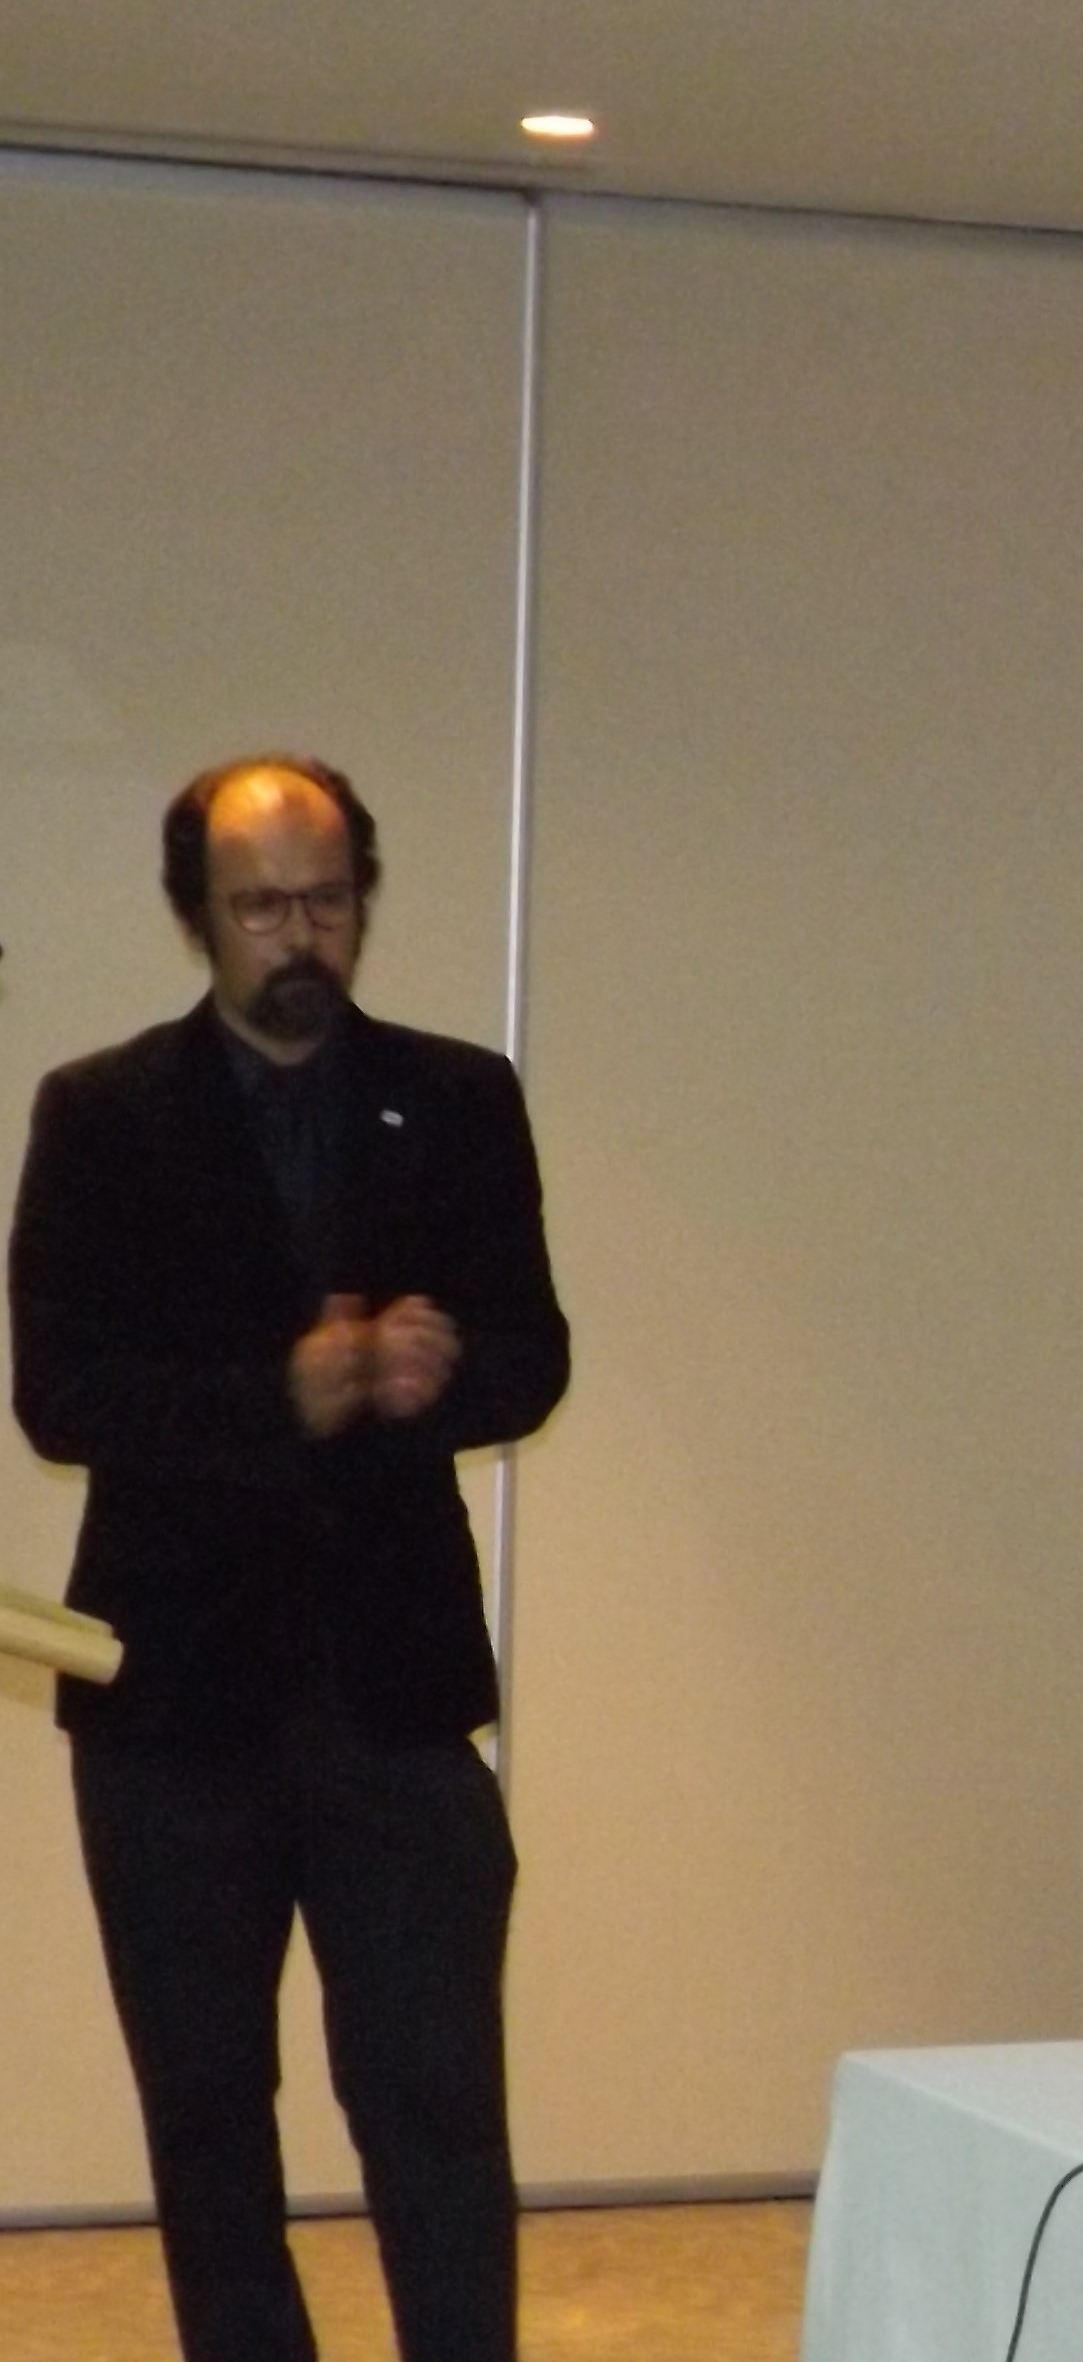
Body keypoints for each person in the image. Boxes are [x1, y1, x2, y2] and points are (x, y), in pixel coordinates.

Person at [10, 756, 568, 2362]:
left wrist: (433, 1375)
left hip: (396, 1695)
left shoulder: (459, 1097)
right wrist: (283, 1393)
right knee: (205, 2116)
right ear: (197, 915)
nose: (300, 936)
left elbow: (534, 1357)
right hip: (172, 1708)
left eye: (327, 901)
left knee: (437, 2101)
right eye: (262, 908)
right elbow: (60, 1396)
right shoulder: (100, 1113)